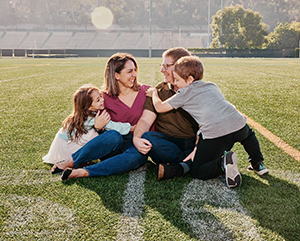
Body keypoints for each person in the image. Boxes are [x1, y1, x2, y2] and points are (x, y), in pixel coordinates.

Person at [147, 55, 268, 189]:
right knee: (249, 136)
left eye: (177, 80)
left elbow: (160, 107)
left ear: (190, 79)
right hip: (238, 123)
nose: (175, 83)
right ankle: (258, 163)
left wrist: (154, 93)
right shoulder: (211, 86)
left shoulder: (183, 93)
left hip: (215, 133)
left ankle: (222, 163)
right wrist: (197, 147)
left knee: (198, 170)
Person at [50, 53, 153, 180]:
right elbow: (85, 119)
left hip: (136, 144)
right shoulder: (103, 98)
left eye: (135, 70)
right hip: (112, 144)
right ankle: (71, 162)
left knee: (139, 156)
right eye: (130, 71)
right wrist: (98, 127)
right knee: (113, 135)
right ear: (116, 75)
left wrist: (157, 95)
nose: (135, 75)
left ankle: (84, 172)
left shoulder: (147, 91)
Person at [133, 47, 198, 173]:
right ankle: (193, 163)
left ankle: (183, 165)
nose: (162, 70)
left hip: (195, 141)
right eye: (162, 65)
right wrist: (136, 138)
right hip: (169, 144)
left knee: (222, 131)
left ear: (181, 66)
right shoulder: (158, 92)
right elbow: (146, 120)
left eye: (166, 66)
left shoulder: (198, 89)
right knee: (148, 137)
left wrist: (198, 146)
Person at [43, 84, 133, 165]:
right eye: (98, 100)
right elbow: (112, 125)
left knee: (95, 132)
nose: (102, 100)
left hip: (65, 142)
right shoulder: (90, 118)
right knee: (98, 134)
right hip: (67, 148)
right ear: (89, 107)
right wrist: (132, 128)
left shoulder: (82, 114)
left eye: (101, 96)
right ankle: (76, 159)